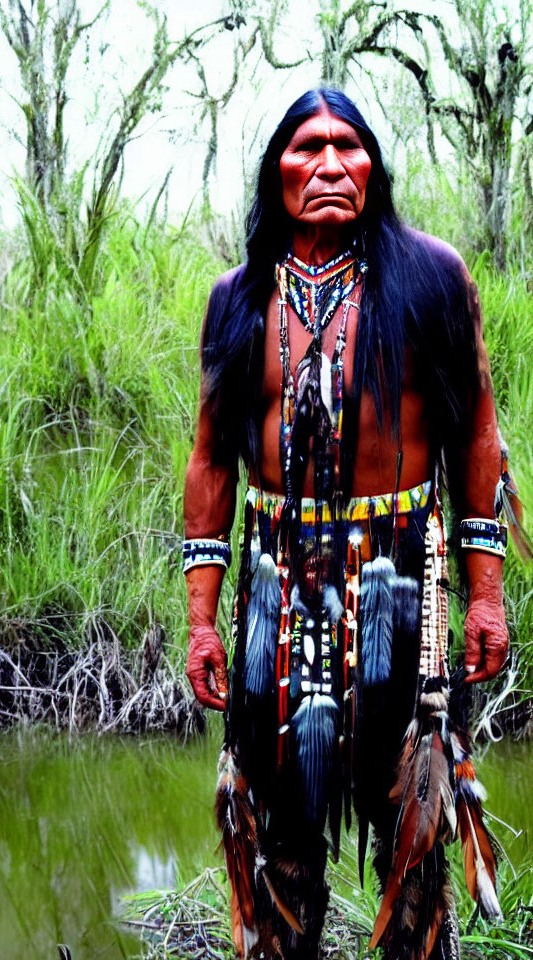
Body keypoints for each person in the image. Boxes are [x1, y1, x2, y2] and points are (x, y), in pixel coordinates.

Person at [182, 87, 509, 960]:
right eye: (306, 148)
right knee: (278, 853)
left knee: (414, 846)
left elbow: (477, 435)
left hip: (401, 588)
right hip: (273, 598)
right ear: (275, 172)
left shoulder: (433, 276)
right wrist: (203, 621)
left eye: (348, 147)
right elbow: (212, 460)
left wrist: (486, 597)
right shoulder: (237, 299)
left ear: (373, 167)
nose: (329, 165)